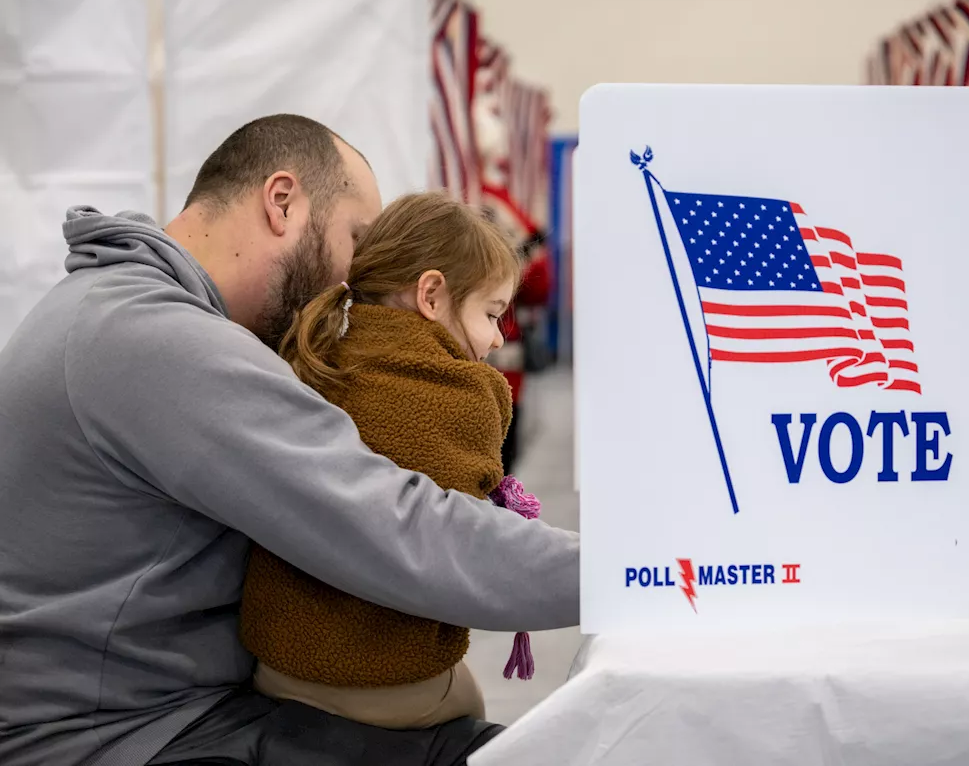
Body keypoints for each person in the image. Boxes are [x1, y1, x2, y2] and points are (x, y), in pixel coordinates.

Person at [0, 115, 580, 766]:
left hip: (156, 711)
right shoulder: (154, 339)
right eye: (355, 240)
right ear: (282, 203)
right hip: (122, 737)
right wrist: (624, 574)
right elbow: (395, 526)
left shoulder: (105, 306)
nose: (354, 277)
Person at [238, 192, 538, 730]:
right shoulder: (465, 394)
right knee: (474, 709)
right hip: (386, 684)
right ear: (430, 294)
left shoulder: (310, 359)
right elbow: (463, 555)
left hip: (274, 666)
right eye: (492, 314)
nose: (497, 338)